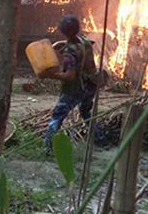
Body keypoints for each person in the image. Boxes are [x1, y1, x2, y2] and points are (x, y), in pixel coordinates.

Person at [39, 15, 104, 150]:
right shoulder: (84, 40)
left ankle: (47, 146)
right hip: (90, 84)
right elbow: (77, 45)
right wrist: (63, 44)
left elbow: (70, 76)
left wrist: (50, 75)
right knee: (86, 112)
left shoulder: (70, 52)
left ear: (63, 31)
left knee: (58, 115)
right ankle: (100, 138)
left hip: (76, 88)